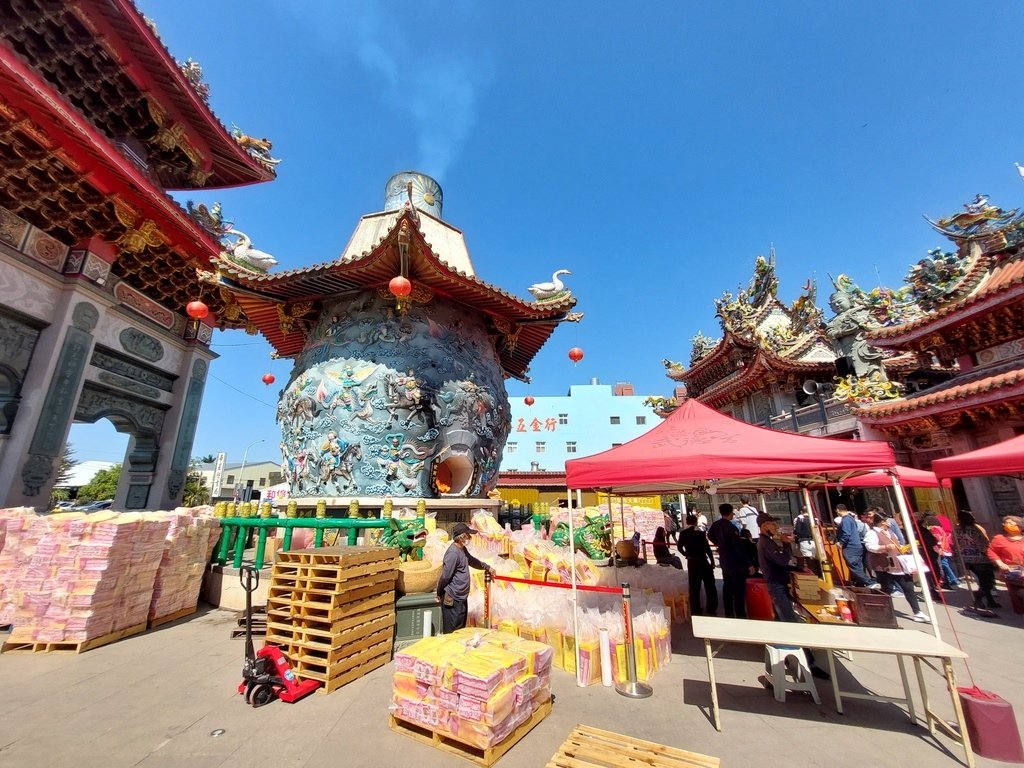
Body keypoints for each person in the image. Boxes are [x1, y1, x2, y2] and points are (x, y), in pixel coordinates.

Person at [756, 516, 829, 679]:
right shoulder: (766, 542)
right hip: (776, 585)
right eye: (772, 524)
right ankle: (808, 662)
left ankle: (783, 656)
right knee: (791, 622)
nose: (776, 527)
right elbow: (781, 560)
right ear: (764, 526)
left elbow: (781, 562)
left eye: (775, 523)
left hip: (778, 584)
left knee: (782, 622)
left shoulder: (767, 541)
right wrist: (787, 544)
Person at [863, 511, 929, 622]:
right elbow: (870, 546)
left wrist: (905, 547)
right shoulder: (872, 533)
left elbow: (898, 544)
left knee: (908, 586)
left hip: (898, 562)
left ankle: (917, 612)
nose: (888, 522)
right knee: (886, 588)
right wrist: (885, 547)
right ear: (882, 522)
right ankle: (880, 609)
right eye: (886, 520)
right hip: (883, 564)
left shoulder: (890, 532)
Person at [436, 522, 492, 633]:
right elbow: (445, 576)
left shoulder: (462, 549)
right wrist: (439, 592)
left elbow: (471, 560)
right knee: (452, 631)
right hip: (453, 597)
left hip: (461, 597)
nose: (469, 537)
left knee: (460, 629)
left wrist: (487, 567)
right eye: (467, 534)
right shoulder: (453, 553)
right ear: (462, 537)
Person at [708, 503, 753, 618]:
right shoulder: (731, 528)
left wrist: (719, 544)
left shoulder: (716, 525)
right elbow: (737, 547)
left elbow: (710, 535)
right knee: (738, 589)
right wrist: (748, 563)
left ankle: (728, 611)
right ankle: (740, 612)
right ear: (730, 512)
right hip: (734, 561)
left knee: (727, 586)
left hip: (724, 560)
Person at [954, 510, 999, 609]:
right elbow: (982, 544)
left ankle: (989, 599)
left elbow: (955, 545)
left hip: (966, 558)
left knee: (982, 580)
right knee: (987, 580)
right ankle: (981, 596)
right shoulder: (974, 530)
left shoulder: (956, 530)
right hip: (981, 558)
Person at [678, 514, 718, 616]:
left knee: (694, 587)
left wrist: (686, 554)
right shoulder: (700, 533)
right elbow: (707, 549)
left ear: (686, 522)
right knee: (710, 586)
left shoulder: (683, 533)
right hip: (703, 560)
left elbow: (679, 548)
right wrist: (712, 561)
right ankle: (711, 607)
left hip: (692, 562)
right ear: (696, 522)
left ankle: (695, 609)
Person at [835, 504, 880, 589]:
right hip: (857, 544)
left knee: (854, 565)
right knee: (858, 565)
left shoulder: (845, 520)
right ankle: (861, 583)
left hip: (850, 546)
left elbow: (846, 533)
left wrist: (841, 543)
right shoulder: (851, 519)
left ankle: (869, 582)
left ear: (838, 510)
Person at [988, 515, 1024, 614]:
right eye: (1007, 523)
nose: (1009, 525)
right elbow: (991, 551)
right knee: (1015, 593)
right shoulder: (1000, 539)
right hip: (1012, 570)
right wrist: (999, 563)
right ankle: (1019, 610)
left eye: (1012, 523)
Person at [923, 515, 960, 589]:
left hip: (941, 549)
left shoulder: (934, 529)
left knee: (943, 565)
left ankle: (952, 579)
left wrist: (938, 548)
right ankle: (951, 580)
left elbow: (937, 539)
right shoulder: (940, 528)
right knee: (946, 564)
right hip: (945, 548)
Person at [793, 507, 820, 576]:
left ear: (801, 512)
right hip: (815, 541)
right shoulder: (814, 519)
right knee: (814, 560)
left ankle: (811, 576)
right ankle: (818, 575)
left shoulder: (800, 519)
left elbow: (797, 531)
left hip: (804, 541)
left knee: (807, 560)